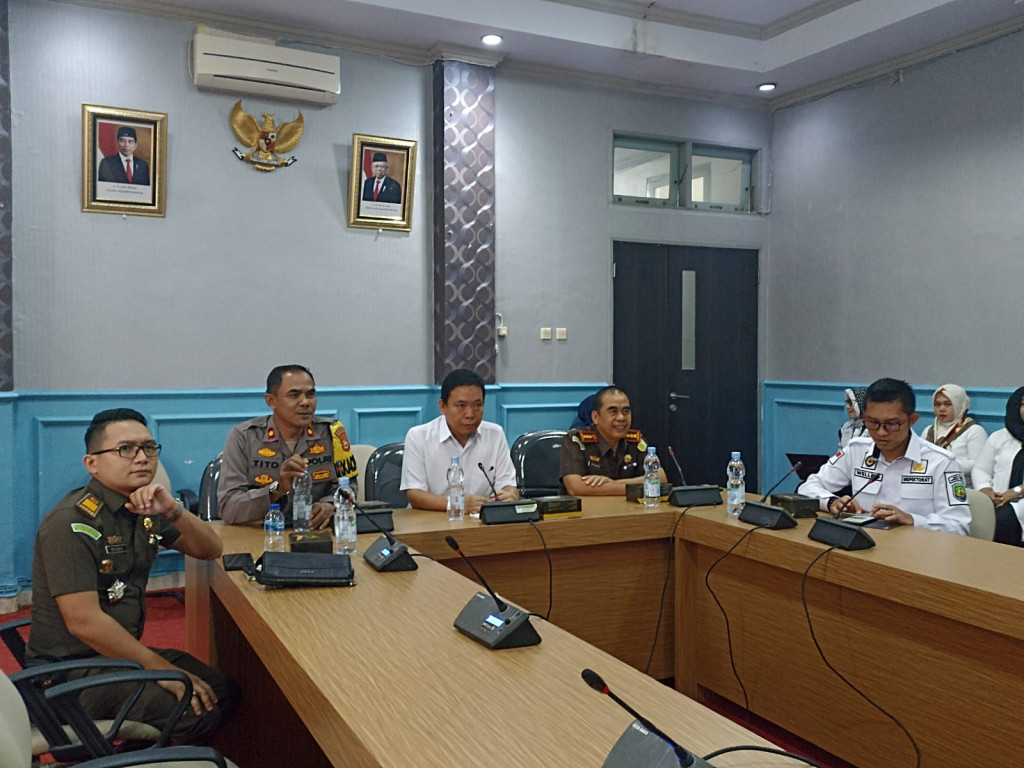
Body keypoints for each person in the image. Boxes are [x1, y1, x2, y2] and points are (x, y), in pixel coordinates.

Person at [26, 409, 235, 745]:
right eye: (126, 449)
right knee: (192, 710)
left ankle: (130, 754)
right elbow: (84, 622)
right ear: (92, 463)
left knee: (221, 690)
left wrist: (173, 510)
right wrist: (160, 669)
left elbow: (210, 549)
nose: (141, 457)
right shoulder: (72, 523)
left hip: (115, 657)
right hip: (67, 672)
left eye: (149, 448)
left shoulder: (143, 509)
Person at [797, 378, 969, 533]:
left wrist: (913, 520)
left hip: (916, 551)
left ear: (912, 420)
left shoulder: (942, 462)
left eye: (891, 424)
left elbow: (959, 526)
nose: (881, 432)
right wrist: (831, 502)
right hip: (862, 545)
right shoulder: (856, 450)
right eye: (872, 422)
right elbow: (808, 486)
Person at [218, 365, 358, 528]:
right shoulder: (244, 437)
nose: (305, 402)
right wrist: (278, 489)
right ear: (271, 401)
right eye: (294, 395)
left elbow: (348, 487)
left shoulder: (332, 432)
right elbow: (228, 508)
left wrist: (330, 505)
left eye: (310, 395)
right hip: (263, 532)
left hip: (316, 532)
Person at [400, 368, 518, 516]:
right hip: (431, 520)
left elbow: (508, 485)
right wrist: (457, 504)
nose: (470, 414)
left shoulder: (495, 434)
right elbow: (415, 494)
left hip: (479, 522)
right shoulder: (418, 437)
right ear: (443, 407)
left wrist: (510, 495)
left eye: (477, 405)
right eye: (461, 406)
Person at [559, 386, 667, 496]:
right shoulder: (577, 440)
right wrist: (635, 487)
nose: (621, 418)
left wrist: (613, 483)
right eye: (613, 411)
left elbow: (661, 478)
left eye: (626, 411)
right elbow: (575, 487)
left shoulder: (636, 441)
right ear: (595, 417)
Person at [971, 386, 1024, 546]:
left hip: (1016, 504)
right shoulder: (999, 437)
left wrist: (1016, 491)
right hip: (998, 500)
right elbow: (980, 469)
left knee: (1003, 518)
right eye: (1023, 404)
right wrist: (985, 489)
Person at [920, 384, 987, 486]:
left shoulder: (974, 431)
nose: (942, 409)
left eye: (947, 404)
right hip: (929, 486)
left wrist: (944, 463)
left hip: (962, 488)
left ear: (959, 405)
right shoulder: (929, 431)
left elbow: (979, 465)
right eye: (937, 404)